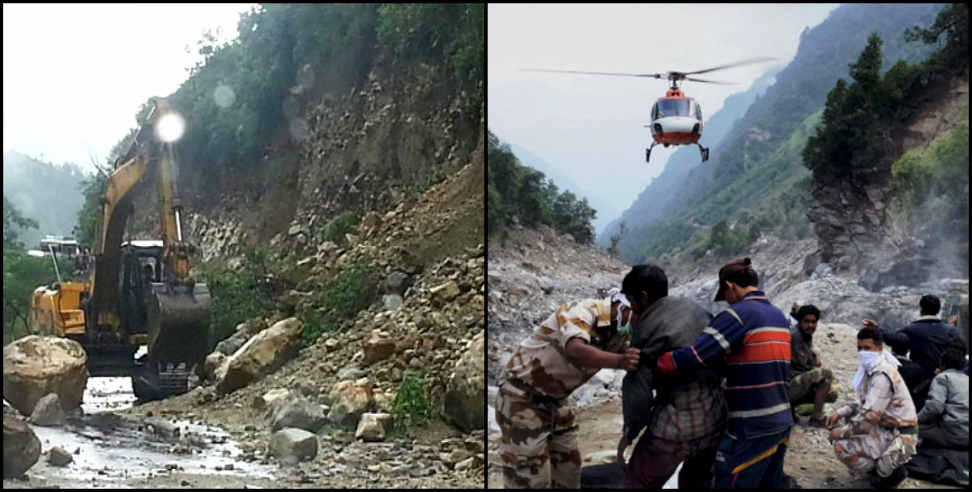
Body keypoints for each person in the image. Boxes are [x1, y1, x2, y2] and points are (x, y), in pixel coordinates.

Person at [655, 257, 793, 488]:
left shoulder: (738, 314)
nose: (727, 302)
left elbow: (696, 355)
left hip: (751, 426)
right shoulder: (778, 316)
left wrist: (660, 360)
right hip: (781, 420)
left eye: (726, 296)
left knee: (731, 480)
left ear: (730, 286)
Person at [497, 277, 640, 488]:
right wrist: (620, 361)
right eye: (638, 315)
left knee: (569, 473)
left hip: (557, 402)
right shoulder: (582, 311)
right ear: (624, 305)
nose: (638, 322)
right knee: (530, 479)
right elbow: (575, 349)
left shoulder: (619, 333)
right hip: (522, 398)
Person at [613, 264, 725, 489]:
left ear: (643, 297)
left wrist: (630, 432)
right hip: (714, 419)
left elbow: (638, 391)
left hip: (674, 426)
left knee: (638, 481)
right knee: (698, 481)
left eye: (631, 303)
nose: (632, 311)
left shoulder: (648, 326)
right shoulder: (697, 310)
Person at [825, 325, 917, 489]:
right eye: (860, 348)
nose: (862, 353)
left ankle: (886, 471)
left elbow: (868, 418)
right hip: (886, 426)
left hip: (899, 434)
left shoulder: (882, 375)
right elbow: (861, 403)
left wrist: (840, 432)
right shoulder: (870, 371)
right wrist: (839, 413)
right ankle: (880, 468)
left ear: (879, 349)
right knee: (848, 422)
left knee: (841, 446)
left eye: (867, 348)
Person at [868, 294, 965, 410]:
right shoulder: (950, 331)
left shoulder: (912, 329)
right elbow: (961, 349)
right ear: (938, 310)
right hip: (948, 381)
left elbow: (897, 340)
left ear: (921, 309)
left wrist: (877, 329)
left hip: (921, 382)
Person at [787, 304, 835, 427]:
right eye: (806, 321)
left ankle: (791, 410)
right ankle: (816, 418)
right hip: (786, 386)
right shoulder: (795, 336)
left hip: (794, 381)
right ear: (800, 321)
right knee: (826, 375)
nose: (810, 325)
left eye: (813, 322)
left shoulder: (806, 335)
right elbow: (801, 366)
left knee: (831, 393)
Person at [915, 347, 968, 450]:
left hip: (953, 433)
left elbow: (934, 407)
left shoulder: (943, 377)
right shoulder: (967, 379)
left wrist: (915, 420)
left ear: (942, 364)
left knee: (910, 430)